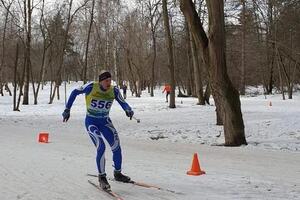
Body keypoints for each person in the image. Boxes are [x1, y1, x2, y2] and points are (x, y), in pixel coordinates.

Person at [62, 70, 134, 190]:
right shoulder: (91, 87)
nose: (109, 83)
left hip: (105, 122)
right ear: (100, 81)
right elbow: (74, 92)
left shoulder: (114, 90)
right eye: (106, 81)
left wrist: (128, 109)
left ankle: (118, 173)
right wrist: (67, 110)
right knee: (101, 146)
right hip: (92, 122)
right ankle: (102, 177)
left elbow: (123, 102)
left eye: (110, 80)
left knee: (116, 146)